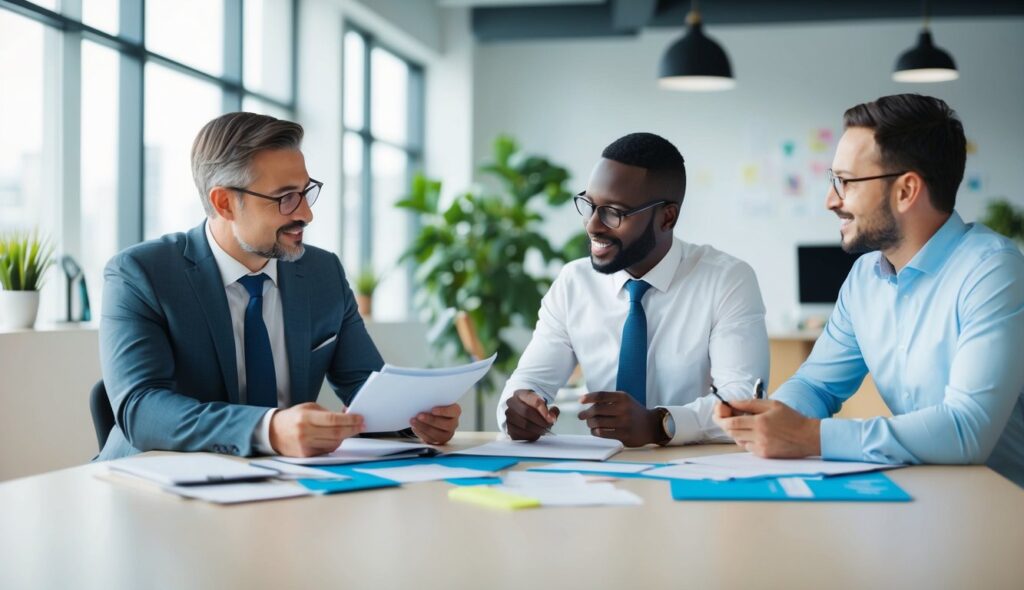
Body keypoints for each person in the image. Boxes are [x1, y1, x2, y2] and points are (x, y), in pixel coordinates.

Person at [97, 112, 460, 460]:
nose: (306, 213)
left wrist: (414, 422)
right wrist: (268, 429)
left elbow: (368, 389)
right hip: (153, 487)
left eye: (306, 192)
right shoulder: (141, 274)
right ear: (224, 203)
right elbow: (141, 410)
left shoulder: (322, 273)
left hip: (279, 488)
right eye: (285, 197)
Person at [714, 94, 1024, 487]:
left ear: (906, 190)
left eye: (844, 182)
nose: (831, 200)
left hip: (1005, 506)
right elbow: (816, 385)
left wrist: (809, 437)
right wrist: (770, 417)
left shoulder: (992, 269)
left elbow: (968, 429)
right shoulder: (865, 277)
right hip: (928, 493)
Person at [498, 132, 769, 446]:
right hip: (603, 475)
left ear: (667, 217)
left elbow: (744, 404)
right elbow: (526, 384)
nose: (592, 226)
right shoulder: (574, 283)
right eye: (589, 205)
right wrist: (517, 411)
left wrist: (660, 424)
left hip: (695, 471)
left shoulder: (727, 280)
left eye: (614, 213)